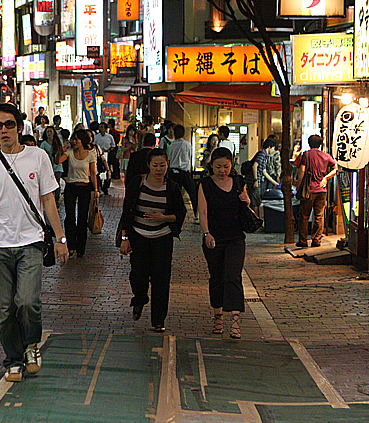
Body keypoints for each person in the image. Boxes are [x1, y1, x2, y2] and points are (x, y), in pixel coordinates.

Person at [0, 103, 69, 383]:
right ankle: (13, 359)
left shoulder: (37, 157)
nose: (4, 130)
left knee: (27, 302)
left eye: (9, 124)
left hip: (31, 242)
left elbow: (49, 200)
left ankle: (31, 345)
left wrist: (60, 238)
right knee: (3, 308)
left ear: (20, 127)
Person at [117, 148, 187, 332]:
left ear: (167, 164)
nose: (158, 169)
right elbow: (127, 212)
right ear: (148, 165)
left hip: (162, 239)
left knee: (161, 280)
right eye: (155, 165)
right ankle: (139, 298)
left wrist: (163, 218)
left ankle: (158, 320)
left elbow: (180, 214)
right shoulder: (137, 183)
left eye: (162, 165)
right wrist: (125, 238)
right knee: (138, 276)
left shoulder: (171, 187)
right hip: (139, 237)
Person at [198, 147, 250, 339]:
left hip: (236, 237)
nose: (222, 170)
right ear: (211, 166)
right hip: (214, 237)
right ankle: (218, 315)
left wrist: (246, 199)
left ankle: (235, 320)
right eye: (218, 167)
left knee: (233, 276)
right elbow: (202, 212)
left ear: (232, 165)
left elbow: (247, 204)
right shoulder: (205, 184)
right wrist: (206, 233)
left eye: (226, 166)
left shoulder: (237, 182)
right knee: (217, 276)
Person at [293, 135, 338, 248]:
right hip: (321, 190)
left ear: (309, 143)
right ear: (320, 144)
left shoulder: (306, 155)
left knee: (304, 216)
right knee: (319, 216)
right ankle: (316, 240)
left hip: (309, 189)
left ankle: (303, 241)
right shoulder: (326, 156)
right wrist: (325, 178)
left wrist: (299, 186)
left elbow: (302, 171)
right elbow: (336, 168)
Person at [63, 129, 99, 258]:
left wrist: (95, 190)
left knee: (82, 218)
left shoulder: (90, 155)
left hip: (84, 187)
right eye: (73, 139)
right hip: (71, 187)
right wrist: (61, 150)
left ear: (83, 141)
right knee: (70, 217)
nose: (74, 141)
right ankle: (71, 245)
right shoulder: (69, 153)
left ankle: (80, 247)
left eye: (77, 139)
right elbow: (58, 161)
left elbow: (93, 173)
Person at [167, 124, 198, 219]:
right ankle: (196, 214)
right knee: (193, 193)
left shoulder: (171, 145)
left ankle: (173, 212)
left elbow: (170, 157)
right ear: (184, 134)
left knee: (173, 194)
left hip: (173, 172)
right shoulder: (187, 144)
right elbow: (190, 156)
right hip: (184, 172)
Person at [246, 138, 278, 212]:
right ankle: (255, 219)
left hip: (256, 180)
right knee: (255, 202)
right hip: (253, 181)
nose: (273, 151)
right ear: (269, 147)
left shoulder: (264, 154)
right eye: (273, 148)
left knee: (256, 201)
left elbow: (264, 172)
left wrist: (275, 183)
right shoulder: (262, 153)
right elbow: (255, 166)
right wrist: (255, 180)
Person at [39, 126, 65, 203]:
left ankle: (56, 198)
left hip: (57, 166)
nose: (49, 134)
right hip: (47, 166)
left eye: (50, 131)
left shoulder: (58, 142)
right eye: (47, 132)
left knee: (57, 181)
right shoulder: (44, 144)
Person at [94, 123, 116, 195]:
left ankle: (106, 187)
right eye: (99, 127)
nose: (100, 129)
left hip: (108, 155)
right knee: (99, 171)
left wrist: (108, 150)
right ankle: (99, 186)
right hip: (98, 156)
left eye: (102, 127)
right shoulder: (96, 137)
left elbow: (113, 145)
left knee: (108, 170)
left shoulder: (109, 137)